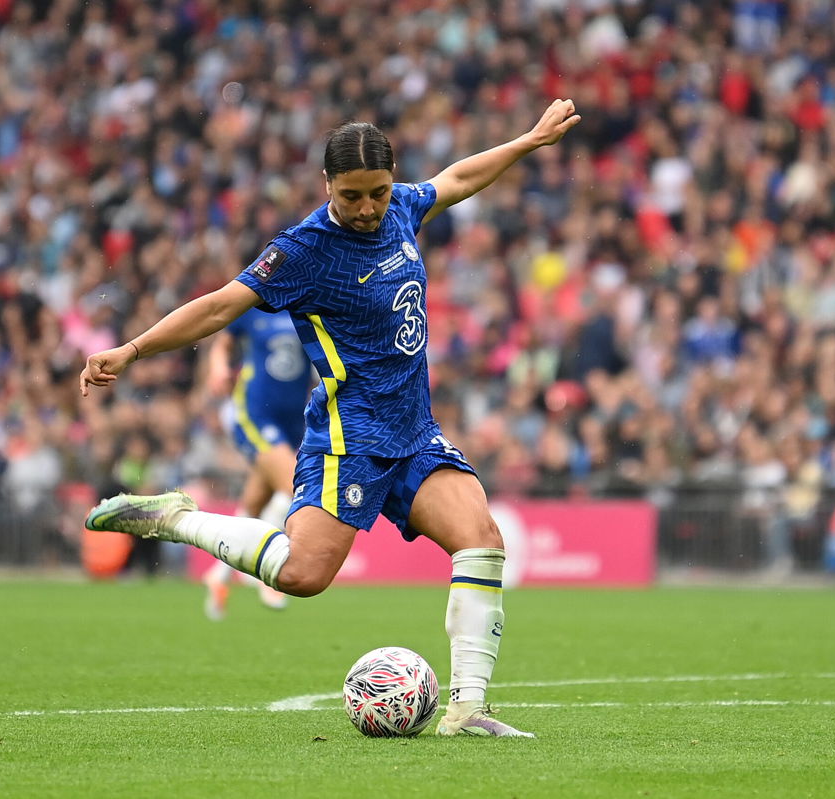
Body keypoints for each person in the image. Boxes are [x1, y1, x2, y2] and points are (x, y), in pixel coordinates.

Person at [80, 99, 582, 738]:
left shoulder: (401, 205)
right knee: (303, 575)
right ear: (327, 187)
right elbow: (217, 308)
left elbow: (455, 180)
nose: (368, 208)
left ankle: (467, 711)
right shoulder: (304, 251)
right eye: (352, 197)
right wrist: (133, 348)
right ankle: (174, 517)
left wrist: (528, 140)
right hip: (350, 438)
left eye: (376, 192)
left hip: (414, 431)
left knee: (481, 541)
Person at [202, 308, 312, 618]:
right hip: (255, 411)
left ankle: (219, 574)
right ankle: (267, 567)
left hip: (295, 418)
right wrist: (219, 367)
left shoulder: (310, 302)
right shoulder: (254, 304)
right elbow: (223, 341)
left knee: (257, 499)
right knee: (296, 484)